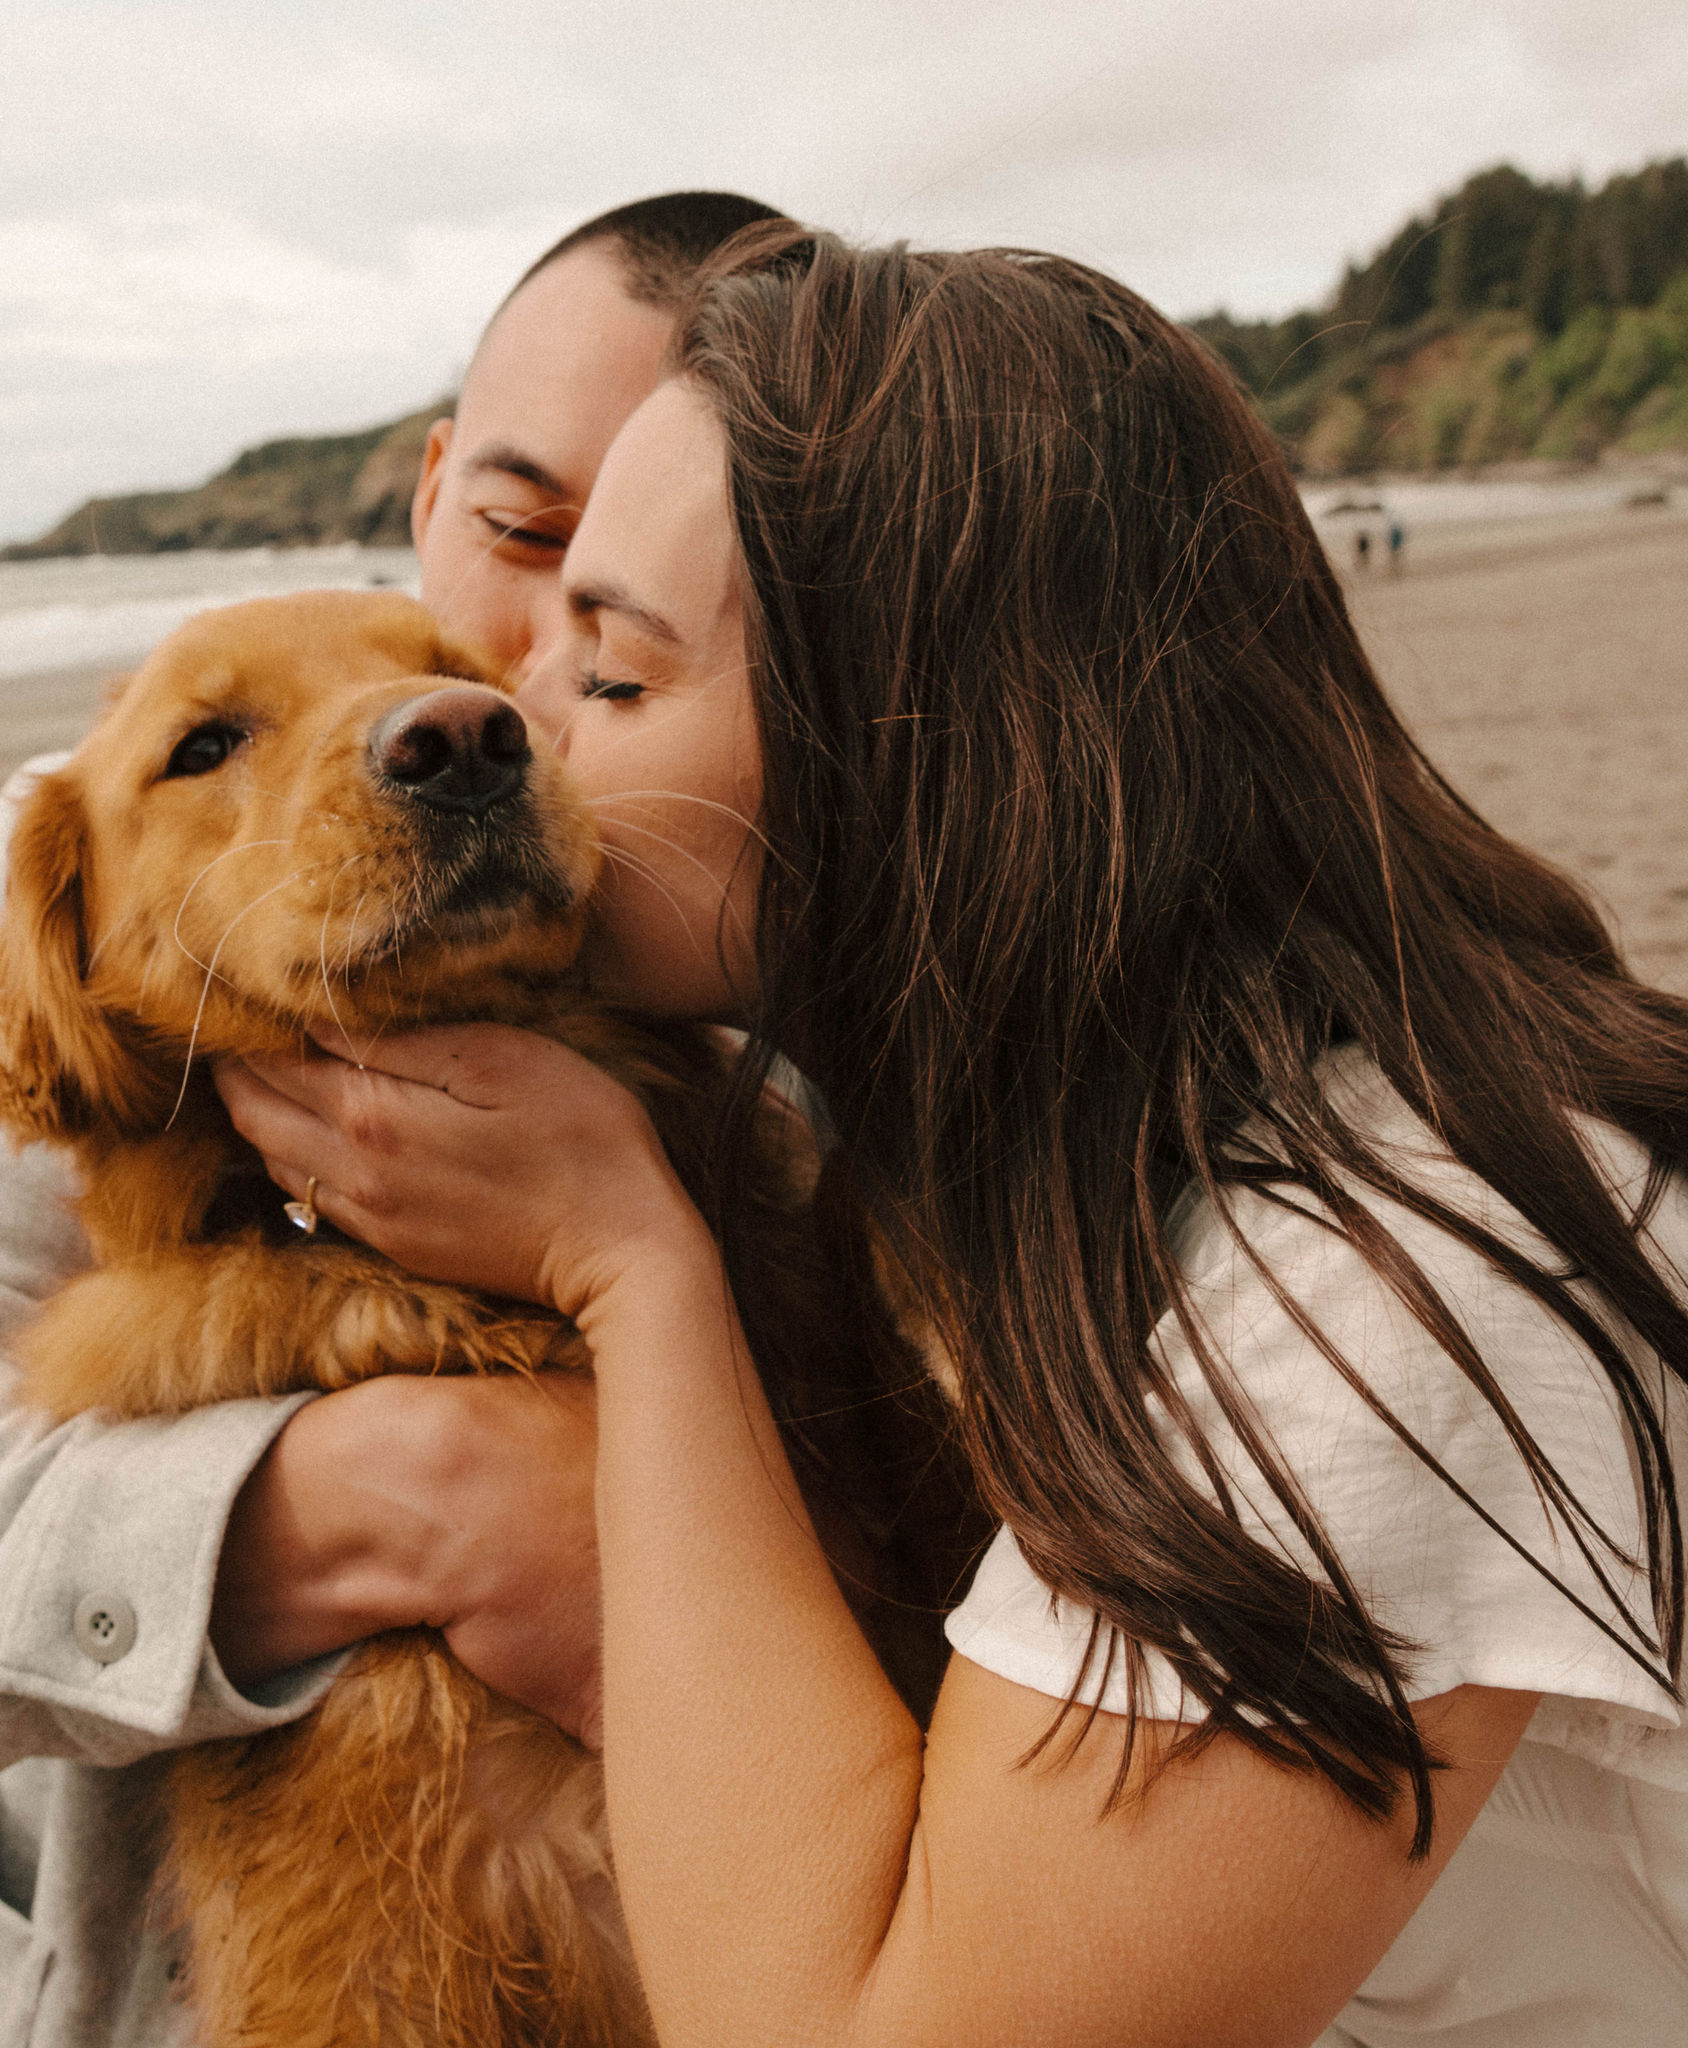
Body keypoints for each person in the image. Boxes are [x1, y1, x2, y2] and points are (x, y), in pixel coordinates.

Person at [218, 227, 1688, 2046]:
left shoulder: (1399, 1283)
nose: (518, 728)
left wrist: (626, 1261)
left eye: (608, 677)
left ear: (921, 759)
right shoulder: (1093, 1167)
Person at [0, 189, 782, 2043]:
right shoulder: (29, 880)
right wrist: (425, 1500)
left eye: (679, 570)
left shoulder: (802, 901)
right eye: (525, 531)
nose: (498, 693)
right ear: (433, 487)